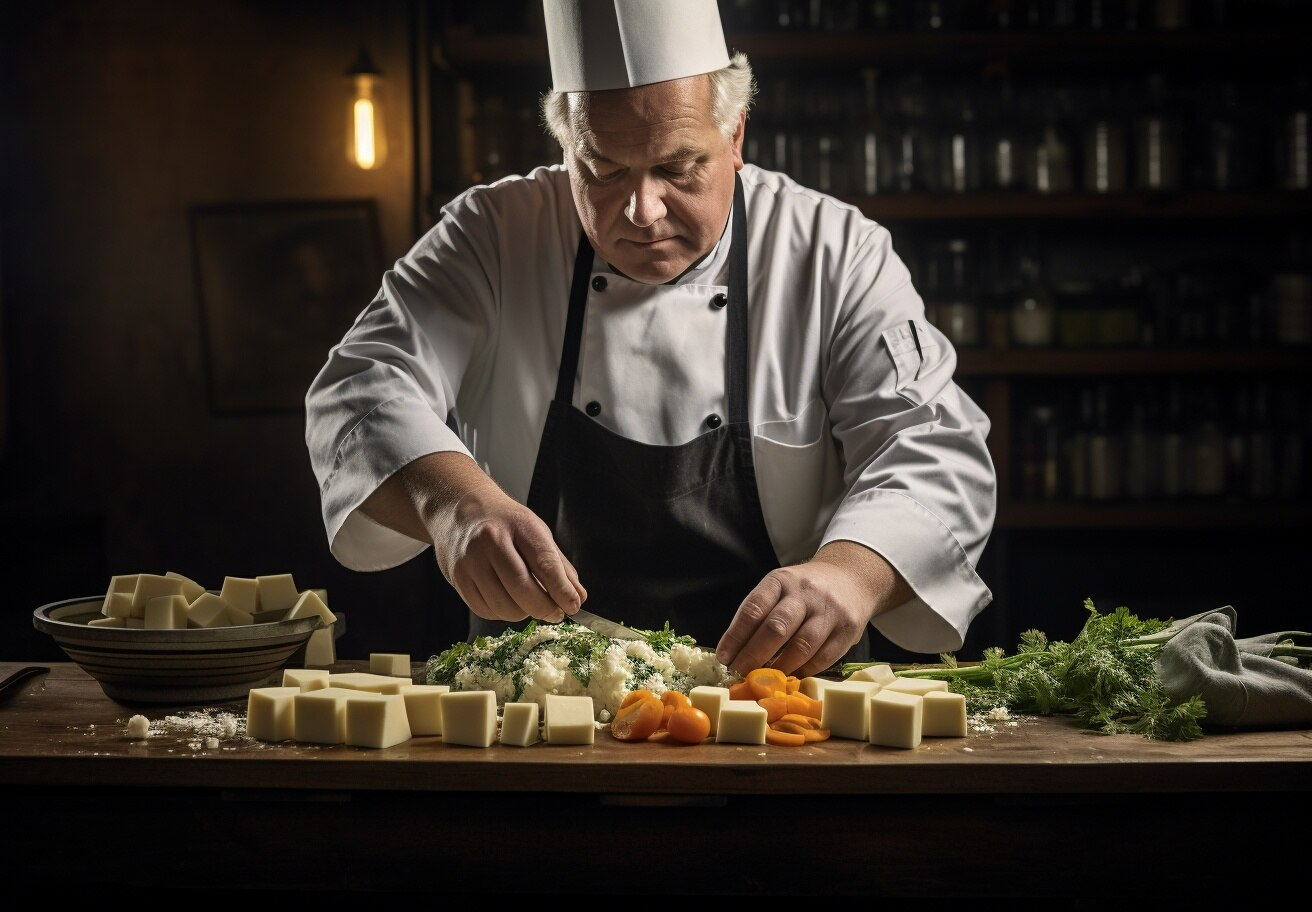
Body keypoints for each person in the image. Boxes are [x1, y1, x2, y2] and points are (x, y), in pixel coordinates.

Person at [305, 0, 996, 679]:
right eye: (603, 170)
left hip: (786, 703)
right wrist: (452, 501)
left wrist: (850, 576)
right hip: (534, 705)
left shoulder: (835, 252)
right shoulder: (491, 235)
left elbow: (934, 445)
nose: (642, 211)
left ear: (736, 138)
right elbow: (361, 387)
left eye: (677, 167)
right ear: (565, 145)